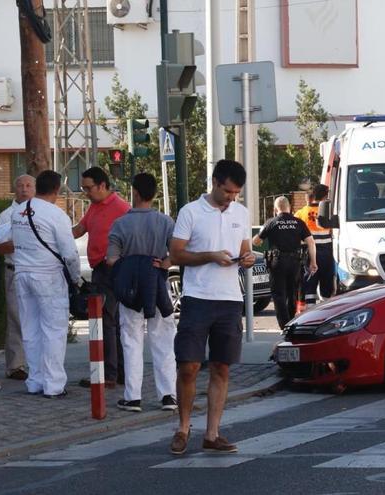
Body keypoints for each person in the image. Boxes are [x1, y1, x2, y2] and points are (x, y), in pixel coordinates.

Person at [168, 159, 255, 455]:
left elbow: (245, 250)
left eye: (236, 194)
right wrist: (208, 255)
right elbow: (176, 255)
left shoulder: (241, 213)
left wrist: (247, 258)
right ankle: (182, 428)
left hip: (230, 299)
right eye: (228, 191)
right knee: (188, 366)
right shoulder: (190, 212)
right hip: (197, 297)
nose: (232, 198)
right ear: (216, 182)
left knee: (221, 367)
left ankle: (212, 433)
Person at [106, 173, 177, 413]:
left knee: (131, 339)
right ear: (154, 194)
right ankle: (168, 395)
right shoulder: (165, 222)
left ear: (134, 193)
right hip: (157, 286)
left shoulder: (120, 224)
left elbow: (111, 259)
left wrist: (129, 264)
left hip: (131, 290)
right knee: (163, 339)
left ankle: (133, 397)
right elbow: (176, 252)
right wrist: (163, 264)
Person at [10, 170, 80, 398]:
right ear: (57, 189)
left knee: (30, 329)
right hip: (48, 277)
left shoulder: (18, 212)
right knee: (53, 331)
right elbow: (69, 254)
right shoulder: (56, 215)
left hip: (22, 274)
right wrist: (76, 279)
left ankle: (35, 381)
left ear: (37, 186)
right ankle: (54, 385)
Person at [73, 167, 131, 389]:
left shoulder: (121, 208)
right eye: (83, 188)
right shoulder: (94, 207)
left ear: (103, 185)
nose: (85, 192)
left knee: (107, 321)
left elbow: (131, 237)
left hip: (114, 270)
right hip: (99, 269)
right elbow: (79, 230)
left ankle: (111, 374)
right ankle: (117, 373)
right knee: (108, 322)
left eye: (88, 188)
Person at [0, 175, 36, 381]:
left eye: (29, 185)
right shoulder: (6, 215)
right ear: (14, 189)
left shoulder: (42, 213)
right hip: (15, 270)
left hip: (38, 271)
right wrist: (22, 241)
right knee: (16, 318)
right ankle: (15, 366)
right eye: (20, 185)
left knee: (38, 318)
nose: (24, 189)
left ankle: (38, 363)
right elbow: (0, 247)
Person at [253, 196, 317, 328]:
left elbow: (257, 241)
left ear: (276, 209)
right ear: (290, 207)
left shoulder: (271, 222)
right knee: (292, 292)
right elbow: (310, 242)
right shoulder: (298, 222)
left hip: (277, 262)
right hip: (295, 262)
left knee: (278, 295)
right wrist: (313, 262)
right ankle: (291, 322)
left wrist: (256, 239)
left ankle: (284, 325)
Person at [294, 184, 335, 307]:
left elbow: (296, 233)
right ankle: (326, 309)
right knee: (326, 281)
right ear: (325, 196)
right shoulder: (329, 212)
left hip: (309, 252)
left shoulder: (301, 213)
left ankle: (310, 309)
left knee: (310, 281)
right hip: (327, 251)